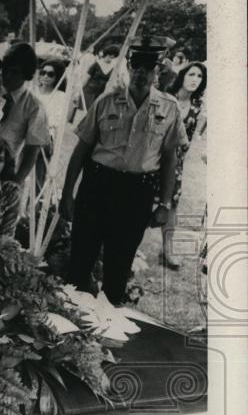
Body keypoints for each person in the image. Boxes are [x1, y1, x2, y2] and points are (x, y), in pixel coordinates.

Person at [58, 36, 187, 305]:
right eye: (136, 66)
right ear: (128, 67)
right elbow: (81, 151)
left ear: (158, 71)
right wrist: (67, 193)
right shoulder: (106, 102)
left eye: (148, 67)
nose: (141, 73)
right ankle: (70, 323)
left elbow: (169, 158)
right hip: (98, 186)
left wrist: (164, 203)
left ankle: (108, 324)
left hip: (136, 192)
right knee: (81, 260)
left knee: (119, 264)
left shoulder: (169, 108)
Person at [159, 61, 208, 268]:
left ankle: (167, 251)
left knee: (171, 205)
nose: (194, 79)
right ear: (182, 75)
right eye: (191, 74)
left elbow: (190, 138)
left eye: (199, 77)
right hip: (153, 157)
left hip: (176, 162)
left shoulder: (198, 108)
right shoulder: (166, 98)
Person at [0, 42, 49, 185]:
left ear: (27, 76)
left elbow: (32, 150)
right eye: (6, 70)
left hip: (2, 168)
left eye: (15, 72)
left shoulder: (34, 107)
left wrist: (16, 183)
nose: (7, 76)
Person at [73, 44, 119, 121]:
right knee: (81, 115)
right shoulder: (96, 64)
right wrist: (78, 92)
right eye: (110, 56)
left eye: (113, 57)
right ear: (106, 54)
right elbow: (86, 79)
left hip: (100, 94)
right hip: (89, 92)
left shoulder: (113, 68)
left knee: (92, 117)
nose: (111, 59)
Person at [35, 58, 69, 143]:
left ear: (57, 77)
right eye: (43, 73)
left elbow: (56, 121)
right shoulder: (32, 91)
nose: (45, 76)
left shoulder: (61, 96)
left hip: (44, 136)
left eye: (50, 74)